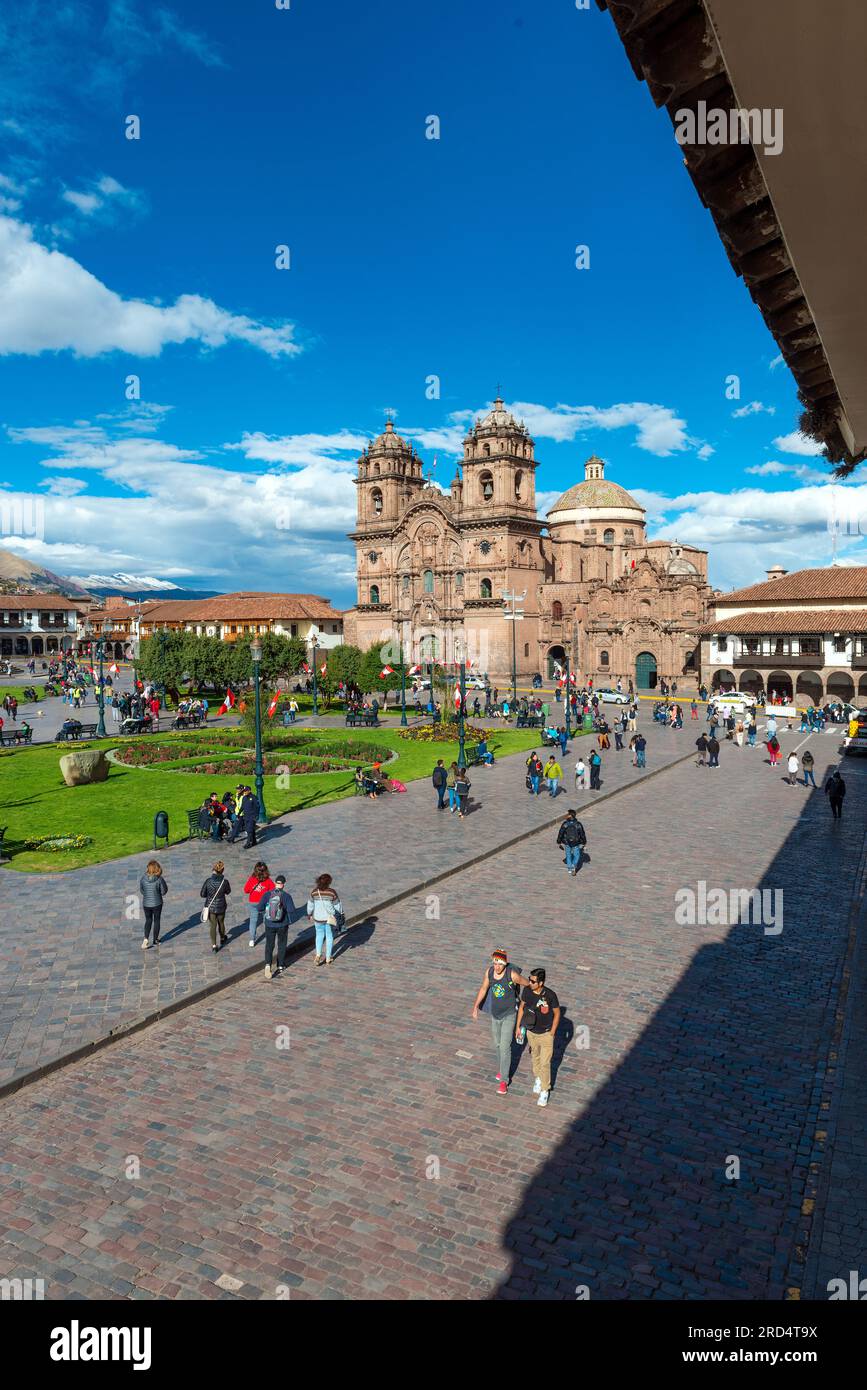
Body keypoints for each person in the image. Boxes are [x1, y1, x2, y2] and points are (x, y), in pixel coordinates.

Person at [472, 950, 531, 1095]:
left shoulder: (512, 975)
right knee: (497, 1045)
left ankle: (504, 1081)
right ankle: (502, 1069)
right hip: (495, 1015)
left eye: (500, 963)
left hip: (509, 1014)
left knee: (505, 1047)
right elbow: (484, 988)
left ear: (505, 963)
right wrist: (475, 1007)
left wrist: (526, 1002)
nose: (497, 966)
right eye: (495, 963)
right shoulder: (490, 972)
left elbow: (528, 984)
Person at [516, 968, 561, 1108]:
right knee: (535, 1057)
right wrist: (518, 1027)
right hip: (531, 1032)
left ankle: (545, 1090)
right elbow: (522, 1008)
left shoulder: (550, 995)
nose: (529, 982)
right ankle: (538, 1078)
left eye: (533, 981)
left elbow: (557, 1013)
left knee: (545, 1063)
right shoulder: (527, 991)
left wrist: (552, 1032)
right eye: (529, 979)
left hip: (546, 1034)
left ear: (541, 982)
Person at [262, 875, 295, 979]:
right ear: (283, 884)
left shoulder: (267, 894)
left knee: (269, 945)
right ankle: (280, 965)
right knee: (281, 944)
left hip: (269, 924)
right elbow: (291, 910)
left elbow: (259, 907)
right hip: (282, 924)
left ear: (275, 883)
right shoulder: (286, 896)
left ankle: (268, 964)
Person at [307, 872, 343, 965]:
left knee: (319, 936)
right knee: (329, 936)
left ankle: (318, 955)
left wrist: (309, 913)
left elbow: (310, 905)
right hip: (329, 918)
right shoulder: (332, 892)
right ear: (329, 882)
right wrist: (341, 913)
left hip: (318, 918)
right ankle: (328, 957)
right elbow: (337, 905)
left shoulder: (314, 892)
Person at [244, 861, 275, 948]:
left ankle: (251, 940)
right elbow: (273, 891)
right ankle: (269, 936)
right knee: (266, 920)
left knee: (253, 921)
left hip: (253, 902)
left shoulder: (252, 879)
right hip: (264, 903)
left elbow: (246, 890)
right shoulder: (268, 880)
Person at [201, 861, 230, 952]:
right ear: (222, 870)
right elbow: (228, 891)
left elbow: (202, 894)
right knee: (221, 922)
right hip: (221, 906)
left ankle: (214, 945)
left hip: (211, 907)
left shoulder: (208, 881)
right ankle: (222, 938)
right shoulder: (225, 882)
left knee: (213, 925)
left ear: (214, 869)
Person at [139, 860, 167, 949]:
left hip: (146, 904)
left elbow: (142, 890)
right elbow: (164, 891)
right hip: (157, 903)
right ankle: (155, 940)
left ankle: (146, 939)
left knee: (148, 920)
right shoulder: (159, 879)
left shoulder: (143, 878)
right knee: (157, 920)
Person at [556, 809, 586, 875]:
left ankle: (569, 869)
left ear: (570, 815)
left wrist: (559, 841)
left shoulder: (565, 824)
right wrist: (584, 842)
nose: (566, 815)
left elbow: (560, 833)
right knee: (577, 855)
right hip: (576, 843)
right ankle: (573, 865)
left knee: (568, 855)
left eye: (567, 814)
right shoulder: (578, 824)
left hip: (567, 842)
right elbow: (582, 834)